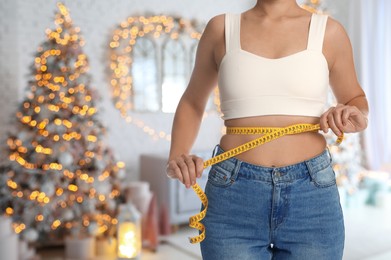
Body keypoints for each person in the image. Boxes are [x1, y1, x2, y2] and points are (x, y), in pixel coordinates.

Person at [166, 0, 369, 259]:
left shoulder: (329, 32)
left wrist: (354, 113)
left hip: (311, 195)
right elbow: (192, 102)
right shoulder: (221, 29)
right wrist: (177, 154)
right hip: (233, 193)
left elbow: (355, 100)